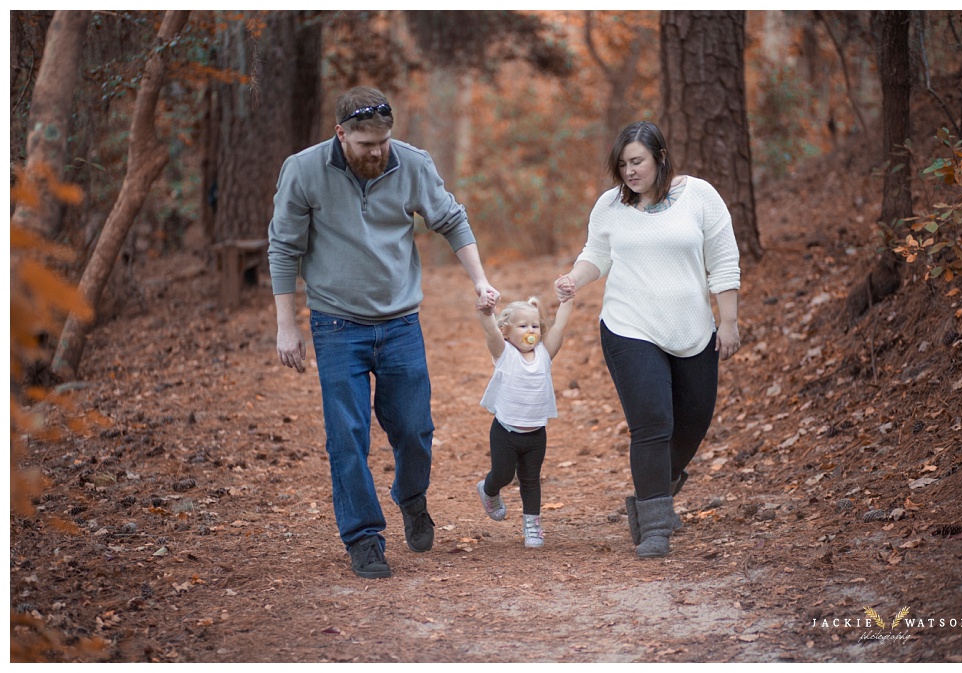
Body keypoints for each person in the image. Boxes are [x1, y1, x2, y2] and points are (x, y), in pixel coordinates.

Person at [267, 86, 499, 579]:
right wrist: (287, 325)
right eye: (366, 144)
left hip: (399, 324)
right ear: (341, 135)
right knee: (346, 437)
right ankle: (364, 538)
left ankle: (411, 498)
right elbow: (284, 247)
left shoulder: (411, 164)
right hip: (335, 324)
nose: (377, 152)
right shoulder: (304, 170)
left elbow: (452, 220)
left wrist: (480, 280)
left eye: (384, 142)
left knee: (415, 430)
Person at [554, 121, 741, 559]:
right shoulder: (610, 206)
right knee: (652, 423)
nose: (629, 172)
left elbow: (724, 258)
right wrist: (574, 279)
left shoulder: (699, 197)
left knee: (693, 423)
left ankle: (652, 490)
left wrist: (728, 321)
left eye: (636, 161)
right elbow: (595, 255)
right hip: (629, 326)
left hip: (693, 327)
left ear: (659, 156)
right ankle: (656, 525)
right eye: (622, 165)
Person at [475, 295, 573, 548]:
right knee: (503, 475)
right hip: (505, 432)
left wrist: (567, 300)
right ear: (507, 331)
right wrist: (487, 313)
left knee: (531, 480)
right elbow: (491, 333)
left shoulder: (544, 354)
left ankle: (532, 526)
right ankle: (489, 489)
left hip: (536, 434)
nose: (531, 331)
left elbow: (560, 326)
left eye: (535, 326)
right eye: (523, 326)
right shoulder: (504, 352)